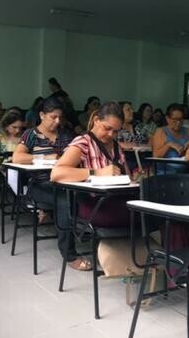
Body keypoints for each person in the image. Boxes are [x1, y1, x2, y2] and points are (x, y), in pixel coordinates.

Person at [50, 102, 133, 271]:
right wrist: (96, 172)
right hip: (95, 203)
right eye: (107, 128)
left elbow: (127, 176)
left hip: (117, 199)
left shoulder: (117, 147)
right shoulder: (84, 142)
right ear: (96, 120)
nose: (111, 134)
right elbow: (57, 173)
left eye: (116, 131)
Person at [14, 97, 75, 225]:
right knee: (64, 198)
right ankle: (67, 242)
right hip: (40, 184)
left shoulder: (66, 135)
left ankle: (78, 230)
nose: (58, 121)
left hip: (65, 181)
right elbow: (17, 157)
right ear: (42, 115)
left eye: (60, 117)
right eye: (53, 117)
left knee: (79, 196)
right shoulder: (31, 134)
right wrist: (43, 157)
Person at [151, 103, 189, 175]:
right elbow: (156, 156)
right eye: (175, 119)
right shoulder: (161, 131)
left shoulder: (186, 131)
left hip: (184, 174)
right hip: (165, 175)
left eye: (180, 119)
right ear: (167, 119)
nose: (178, 123)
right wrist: (169, 145)